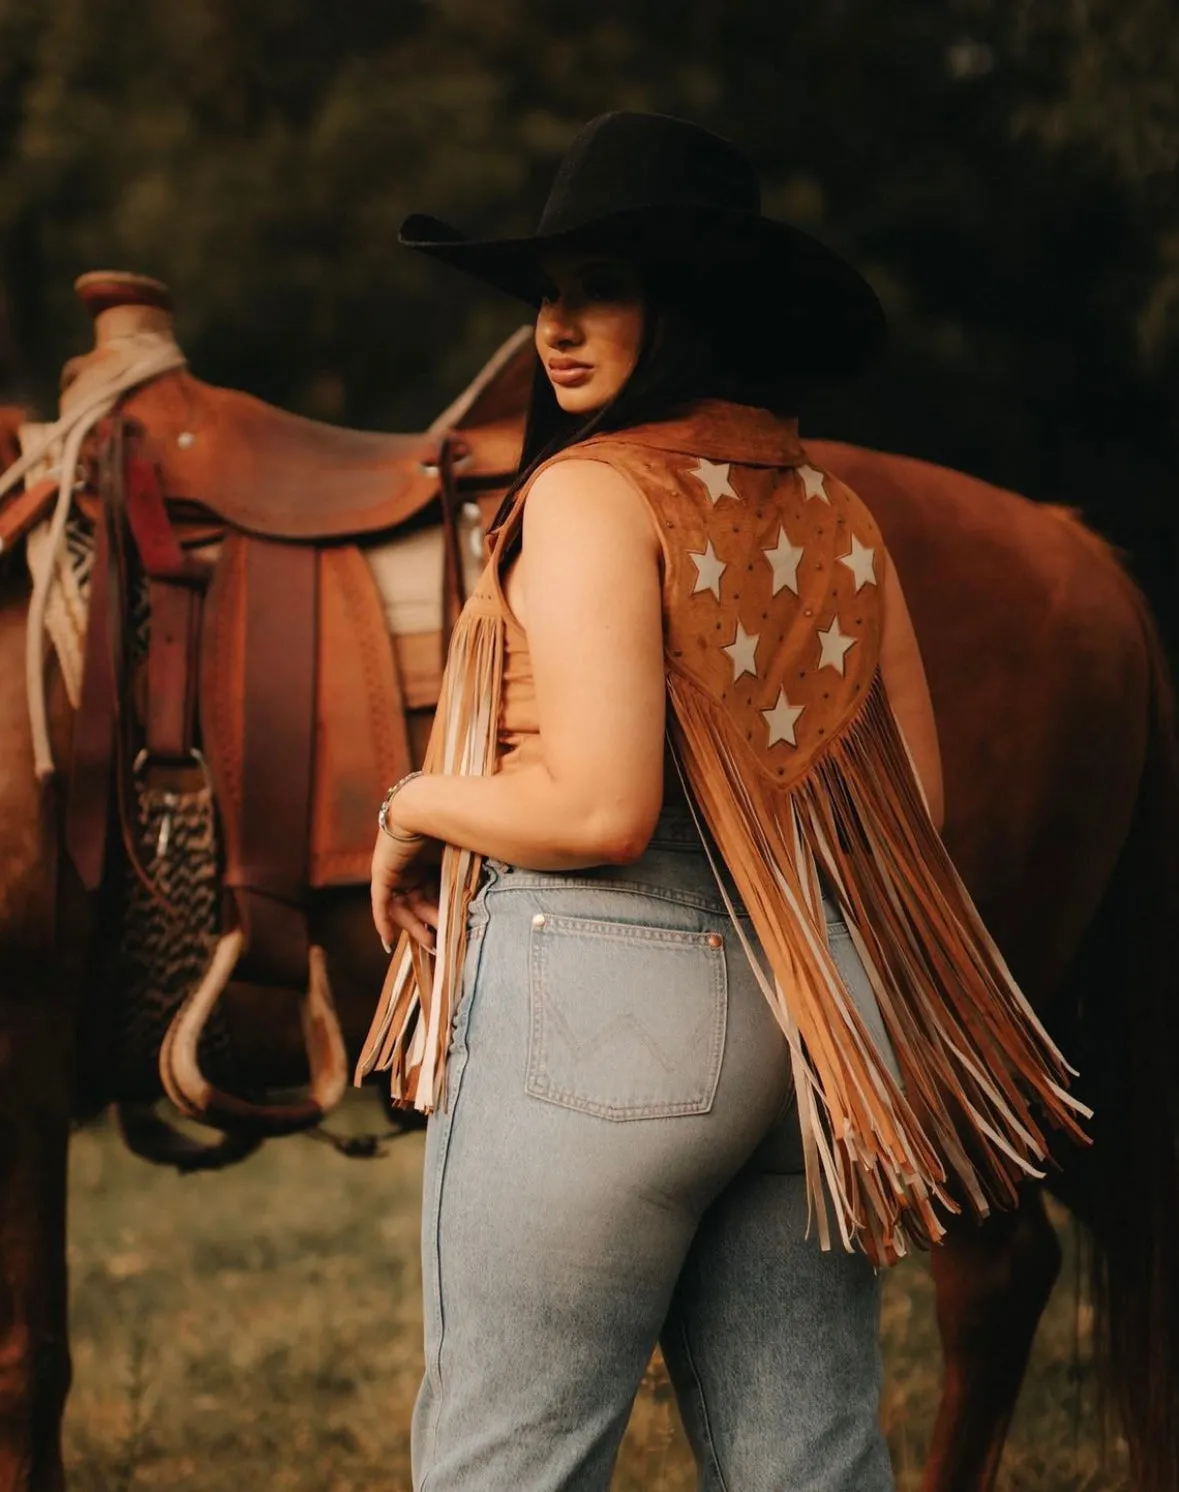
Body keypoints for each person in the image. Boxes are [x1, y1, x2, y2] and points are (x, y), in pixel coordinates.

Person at [360, 111, 1087, 1492]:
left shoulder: (588, 497)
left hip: (600, 1012)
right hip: (812, 1029)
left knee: (509, 1458)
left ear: (685, 305)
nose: (555, 330)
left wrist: (413, 804)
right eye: (546, 298)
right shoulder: (836, 513)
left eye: (599, 291)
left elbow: (596, 812)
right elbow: (909, 812)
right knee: (809, 1459)